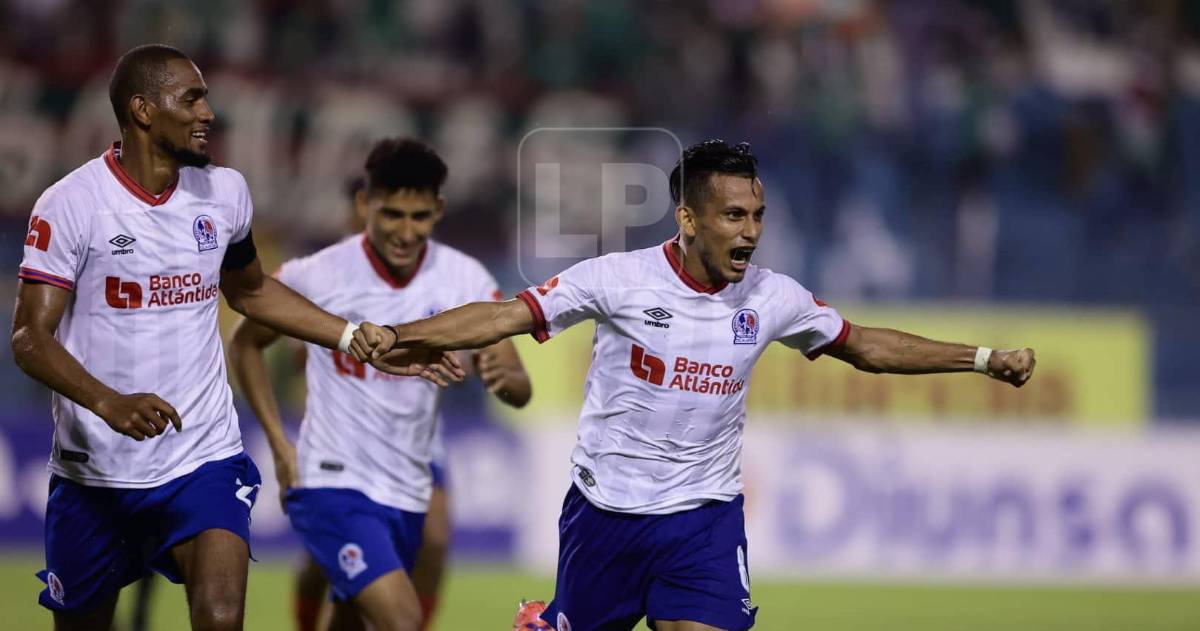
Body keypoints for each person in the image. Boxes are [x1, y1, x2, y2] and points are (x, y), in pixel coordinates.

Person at [359, 140, 1037, 631]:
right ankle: (548, 620)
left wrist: (981, 357)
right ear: (688, 219)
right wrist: (399, 335)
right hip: (607, 515)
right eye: (732, 216)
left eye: (757, 215)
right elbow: (503, 314)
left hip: (703, 518)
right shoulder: (617, 279)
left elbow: (865, 346)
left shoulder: (774, 296)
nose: (750, 232)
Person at [10, 44, 446, 631]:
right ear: (142, 110)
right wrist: (106, 401)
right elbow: (29, 338)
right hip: (96, 474)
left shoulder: (225, 194)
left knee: (220, 615)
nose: (208, 112)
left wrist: (353, 336)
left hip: (202, 457)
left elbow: (251, 291)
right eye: (190, 98)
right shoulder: (71, 205)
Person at [230, 137, 531, 631]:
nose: (406, 232)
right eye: (392, 214)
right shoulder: (317, 274)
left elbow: (515, 383)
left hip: (408, 487)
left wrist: (508, 379)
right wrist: (281, 446)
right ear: (365, 204)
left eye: (419, 217)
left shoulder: (465, 278)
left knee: (350, 621)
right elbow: (245, 344)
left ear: (438, 210)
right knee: (402, 619)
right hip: (333, 481)